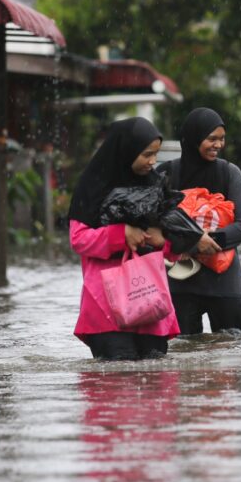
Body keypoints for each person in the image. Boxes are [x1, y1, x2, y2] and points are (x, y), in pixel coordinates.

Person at [68, 117, 179, 360]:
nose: (152, 162)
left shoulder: (156, 186)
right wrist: (122, 234)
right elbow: (79, 239)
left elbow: (170, 245)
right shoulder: (93, 187)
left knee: (158, 387)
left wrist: (165, 241)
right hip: (107, 308)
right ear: (126, 151)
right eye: (146, 154)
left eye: (155, 155)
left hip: (150, 303)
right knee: (114, 386)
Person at [156, 107, 241, 334]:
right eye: (211, 139)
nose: (218, 145)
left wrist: (208, 241)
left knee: (230, 354)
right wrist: (193, 242)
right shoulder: (166, 174)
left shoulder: (231, 174)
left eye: (222, 139)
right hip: (180, 281)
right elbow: (155, 222)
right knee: (184, 357)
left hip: (225, 284)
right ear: (193, 138)